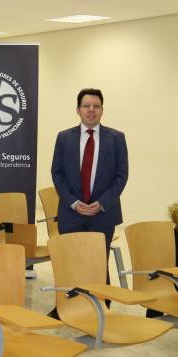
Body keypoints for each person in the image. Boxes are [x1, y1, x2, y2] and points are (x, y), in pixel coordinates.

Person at [50, 88, 128, 317]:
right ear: (78, 110)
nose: (91, 110)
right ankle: (64, 306)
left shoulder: (116, 138)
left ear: (102, 110)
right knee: (70, 260)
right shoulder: (64, 138)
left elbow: (121, 175)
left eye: (96, 106)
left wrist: (102, 203)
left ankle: (101, 305)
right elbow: (57, 173)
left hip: (103, 213)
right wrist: (73, 202)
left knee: (98, 261)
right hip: (71, 212)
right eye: (86, 106)